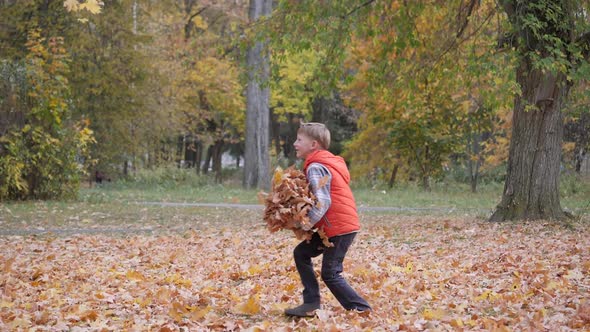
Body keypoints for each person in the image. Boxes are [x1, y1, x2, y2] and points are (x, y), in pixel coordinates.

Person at [284, 121, 371, 317]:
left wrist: (305, 224)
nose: (295, 144)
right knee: (302, 253)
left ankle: (362, 309)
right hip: (336, 227)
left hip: (338, 229)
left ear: (313, 145)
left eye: (299, 140)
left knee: (331, 273)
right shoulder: (324, 162)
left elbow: (323, 202)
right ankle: (311, 303)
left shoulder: (316, 167)